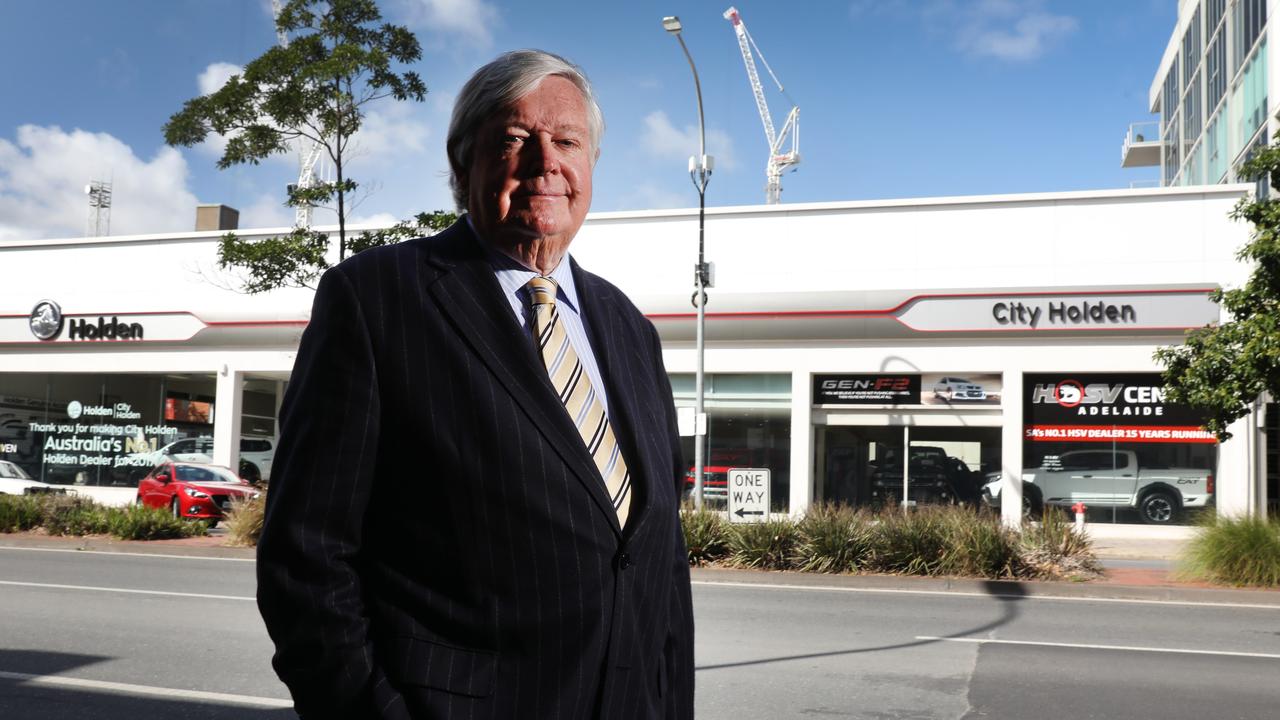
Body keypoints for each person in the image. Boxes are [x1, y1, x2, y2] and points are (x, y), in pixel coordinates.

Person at [256, 49, 695, 719]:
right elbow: (307, 558)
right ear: (463, 165)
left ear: (592, 166)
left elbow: (659, 567)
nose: (545, 161)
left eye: (567, 141)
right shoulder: (376, 301)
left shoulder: (632, 329)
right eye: (514, 140)